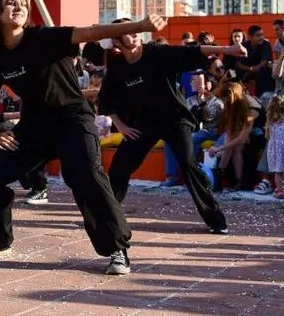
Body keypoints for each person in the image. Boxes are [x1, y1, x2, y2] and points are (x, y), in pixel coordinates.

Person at [0, 0, 163, 276]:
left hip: (73, 119)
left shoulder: (44, 37)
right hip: (35, 124)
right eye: (10, 3)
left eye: (22, 2)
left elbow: (89, 32)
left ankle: (116, 248)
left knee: (87, 176)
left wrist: (141, 25)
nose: (18, 7)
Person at [101, 22, 243, 230]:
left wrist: (228, 49)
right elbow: (106, 99)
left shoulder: (155, 52)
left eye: (136, 30)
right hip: (146, 121)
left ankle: (216, 221)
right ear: (116, 40)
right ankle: (107, 217)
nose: (135, 34)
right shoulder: (117, 67)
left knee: (188, 164)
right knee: (120, 163)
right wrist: (120, 126)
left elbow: (190, 52)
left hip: (175, 118)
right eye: (127, 33)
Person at [264, 95, 284, 199]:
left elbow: (268, 136)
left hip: (275, 148)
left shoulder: (271, 121)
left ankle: (280, 191)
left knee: (278, 172)